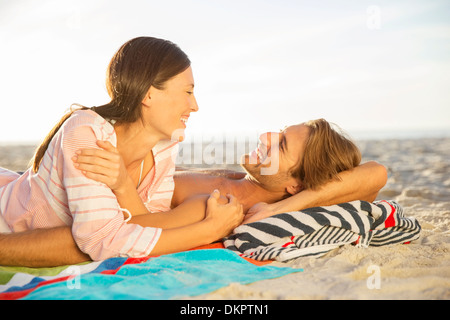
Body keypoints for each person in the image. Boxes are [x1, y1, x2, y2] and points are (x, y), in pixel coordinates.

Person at [0, 118, 387, 267]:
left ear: (296, 181)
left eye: (282, 144)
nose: (267, 135)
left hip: (75, 208)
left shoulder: (230, 205)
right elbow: (375, 171)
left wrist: (120, 182)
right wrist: (299, 198)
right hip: (49, 186)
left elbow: (137, 228)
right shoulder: (246, 183)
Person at [0, 36, 244, 264]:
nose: (195, 105)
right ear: (149, 94)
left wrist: (124, 185)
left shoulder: (164, 146)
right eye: (188, 92)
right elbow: (102, 241)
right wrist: (209, 230)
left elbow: (149, 223)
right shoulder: (86, 133)